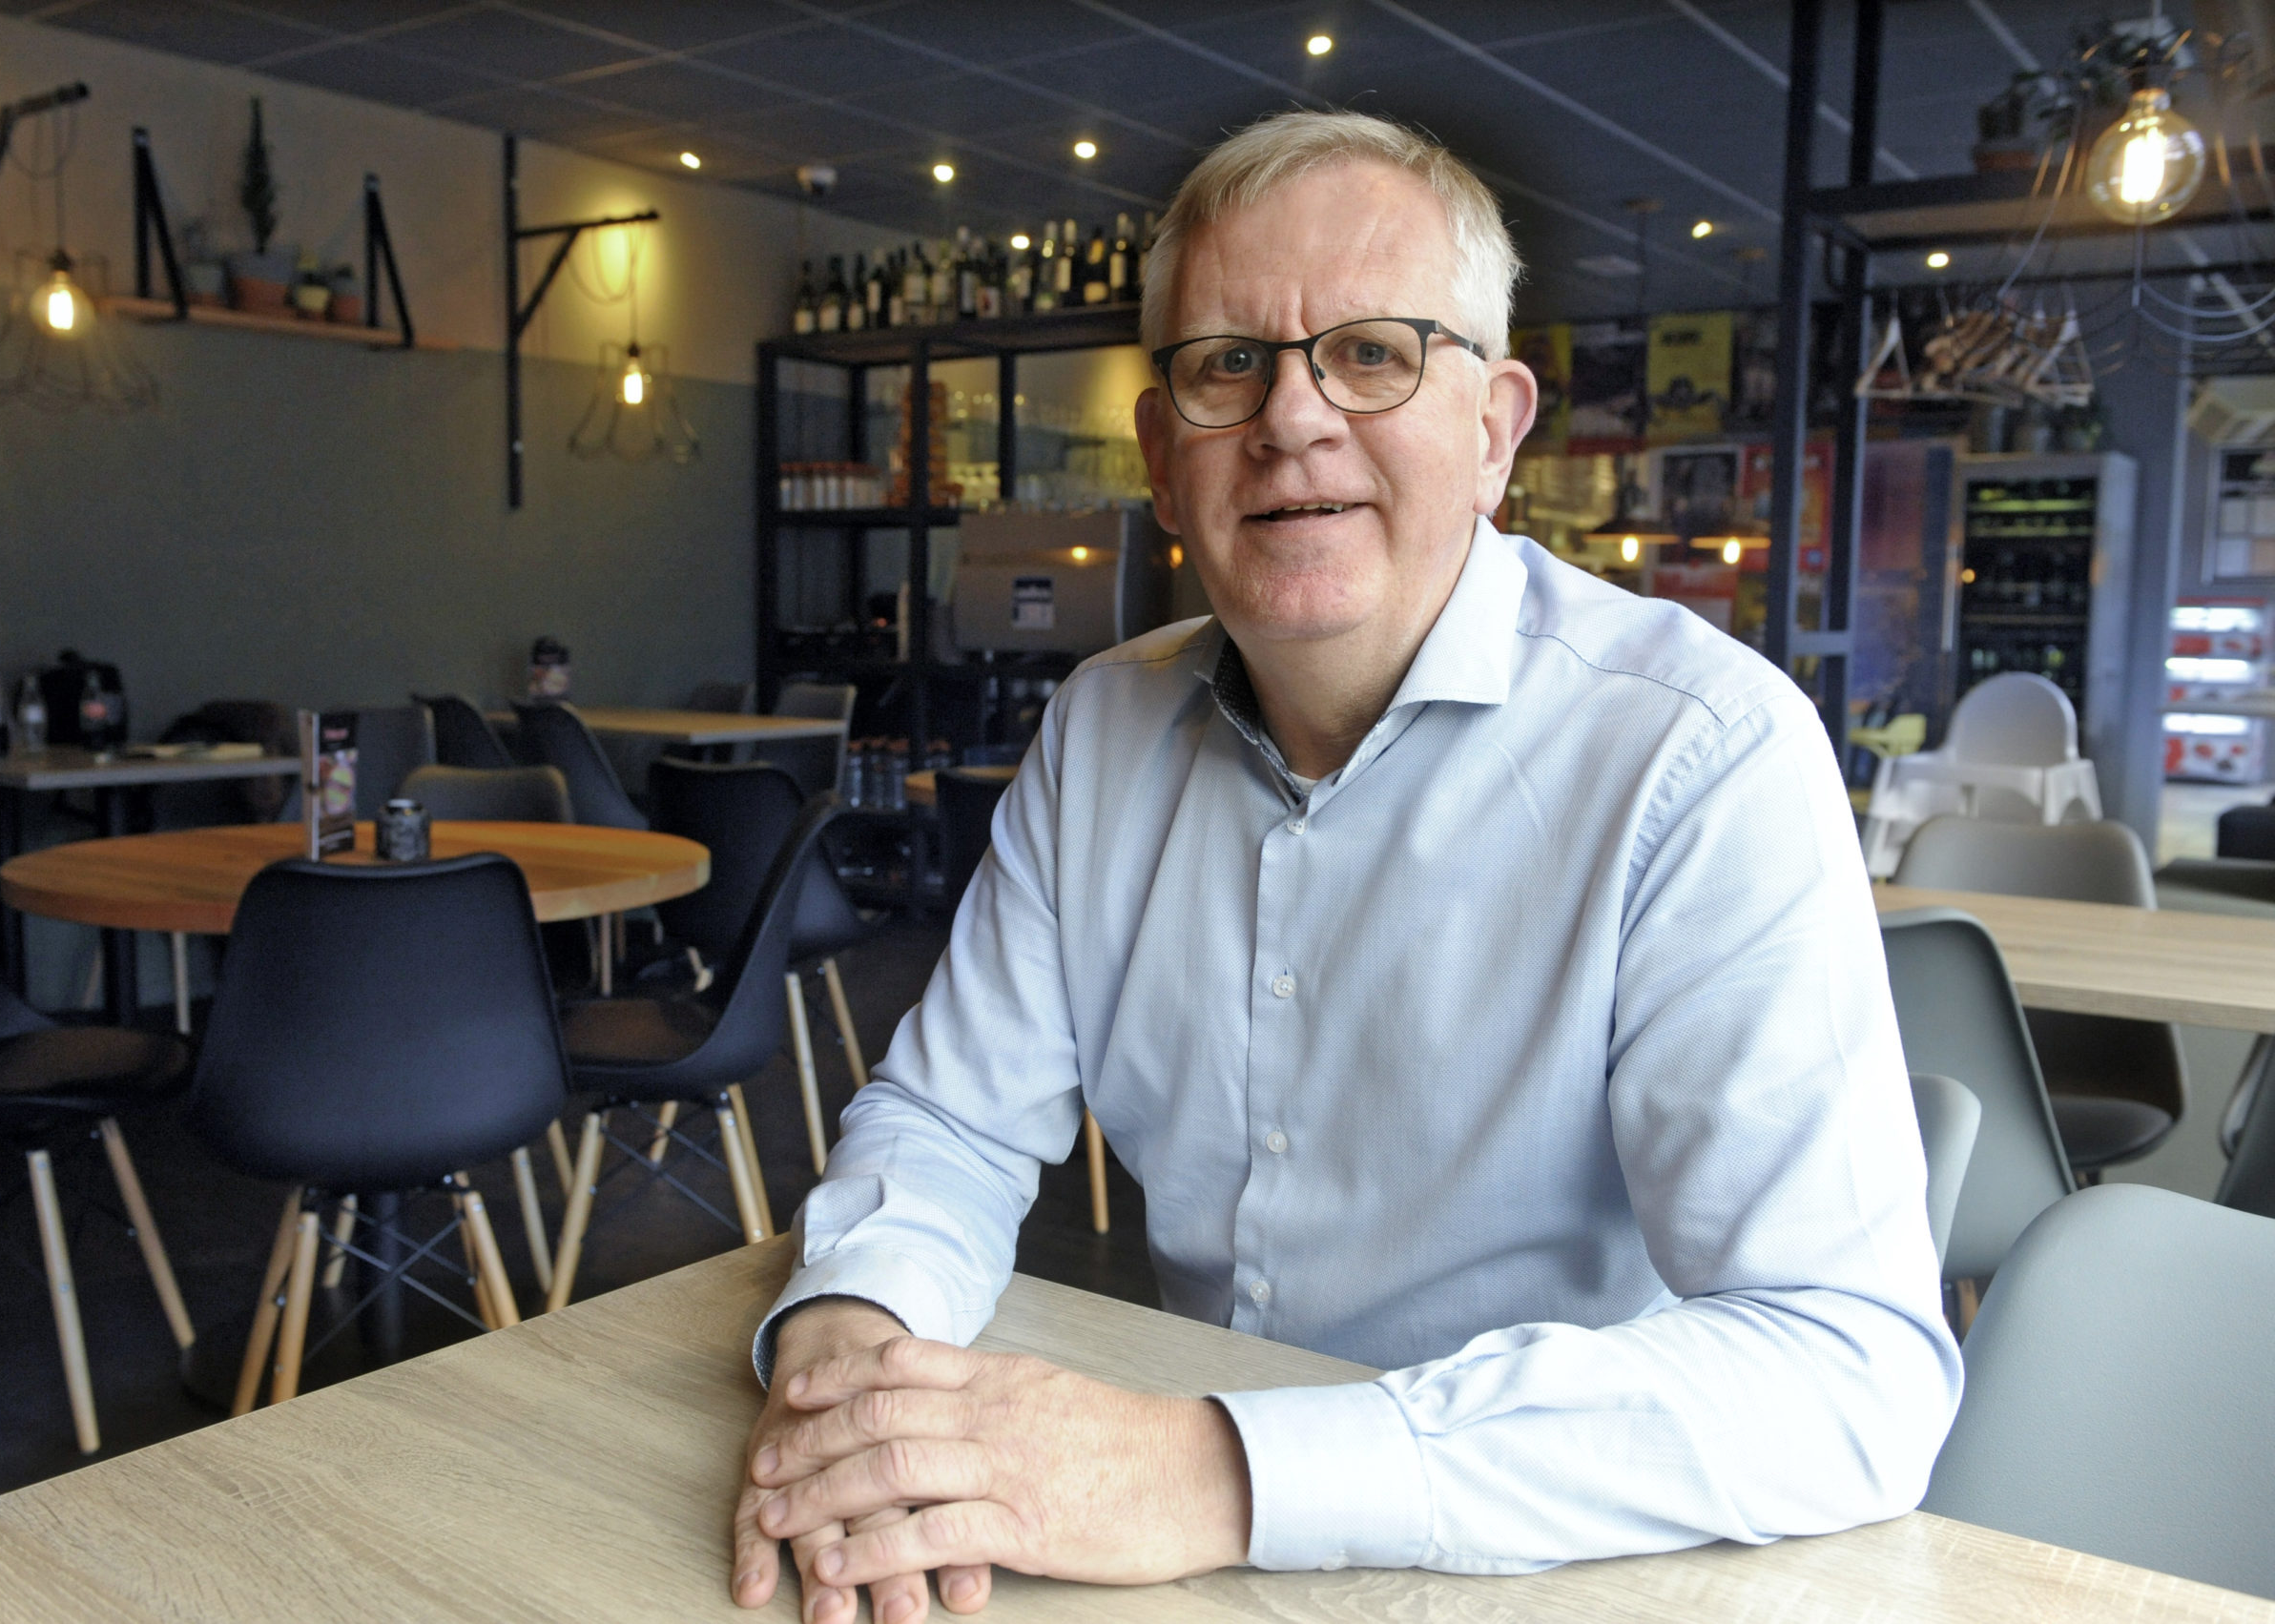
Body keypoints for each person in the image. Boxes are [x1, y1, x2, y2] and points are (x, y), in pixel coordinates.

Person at [730, 110, 1961, 1624]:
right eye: (1226, 361)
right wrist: (856, 1325)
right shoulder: (1100, 728)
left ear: (1499, 428)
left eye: (1373, 353)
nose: (1293, 418)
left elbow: (1848, 1370)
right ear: (1164, 460)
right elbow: (952, 1125)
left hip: (1568, 1563)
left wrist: (1215, 1474)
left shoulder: (1701, 755)